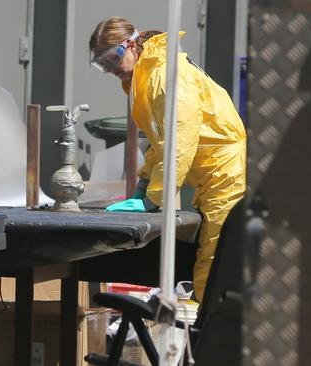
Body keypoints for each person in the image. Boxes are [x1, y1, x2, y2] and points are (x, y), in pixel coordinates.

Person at [90, 16, 246, 302]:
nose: (111, 69)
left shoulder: (165, 76)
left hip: (224, 172)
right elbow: (161, 142)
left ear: (132, 45)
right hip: (208, 173)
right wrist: (144, 183)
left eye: (113, 57)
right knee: (208, 256)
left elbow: (179, 142)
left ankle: (205, 337)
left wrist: (153, 197)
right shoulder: (145, 76)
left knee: (214, 259)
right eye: (102, 63)